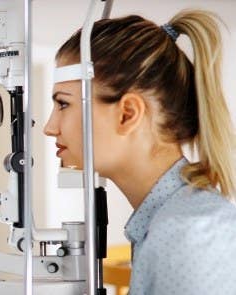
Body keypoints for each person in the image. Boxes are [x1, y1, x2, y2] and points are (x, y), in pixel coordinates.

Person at [43, 10, 236, 294]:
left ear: (128, 114)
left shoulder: (188, 234)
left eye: (63, 104)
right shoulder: (163, 224)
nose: (49, 127)